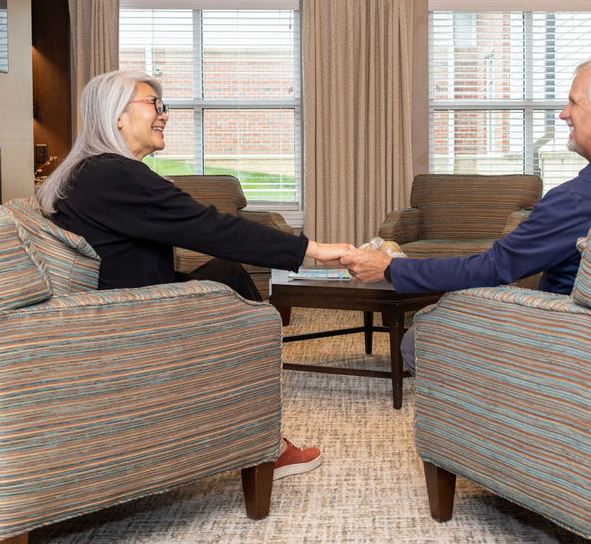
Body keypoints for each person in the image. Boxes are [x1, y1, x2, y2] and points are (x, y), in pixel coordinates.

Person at [37, 69, 354, 480]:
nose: (164, 114)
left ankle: (255, 431)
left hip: (109, 307)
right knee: (232, 284)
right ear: (116, 116)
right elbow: (210, 227)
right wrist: (314, 251)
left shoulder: (85, 173)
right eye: (154, 104)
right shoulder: (114, 174)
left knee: (226, 275)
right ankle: (262, 443)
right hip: (130, 320)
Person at [340, 57, 591, 376]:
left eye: (574, 102)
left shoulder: (575, 199)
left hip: (575, 339)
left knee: (419, 339)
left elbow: (494, 268)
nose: (564, 114)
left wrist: (390, 268)